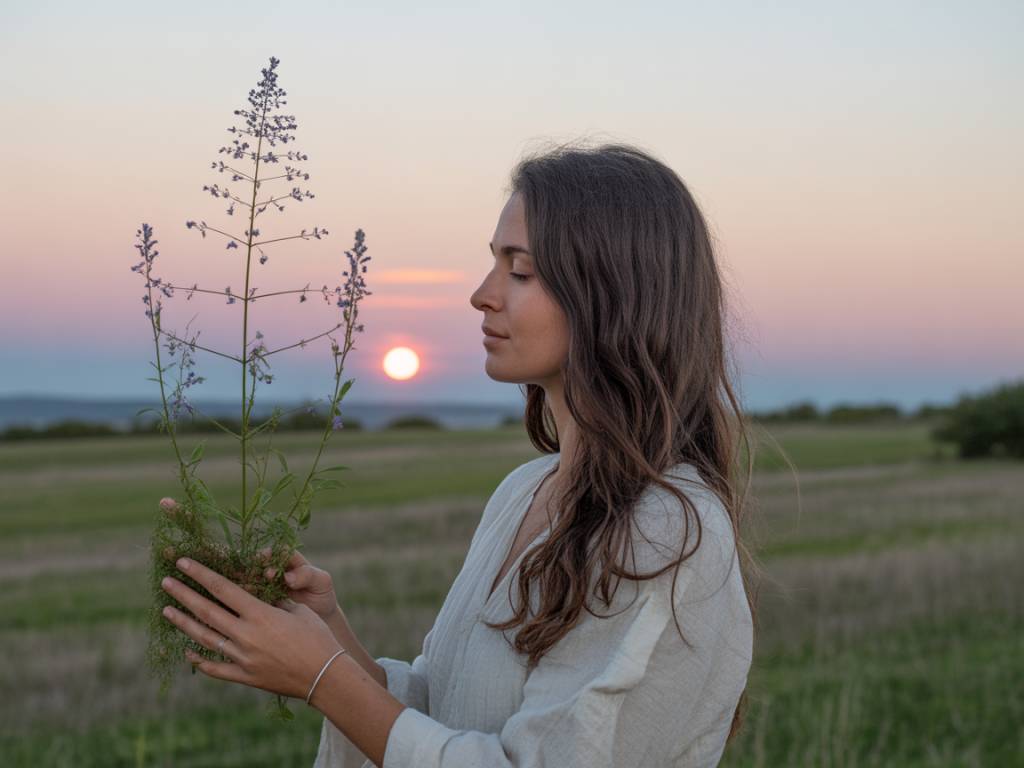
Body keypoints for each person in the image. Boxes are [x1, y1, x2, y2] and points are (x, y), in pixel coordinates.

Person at [157, 141, 755, 768]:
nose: (482, 294)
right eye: (494, 263)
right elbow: (443, 712)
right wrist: (327, 630)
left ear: (612, 293)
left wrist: (323, 676)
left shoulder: (669, 533)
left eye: (519, 271)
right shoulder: (524, 491)